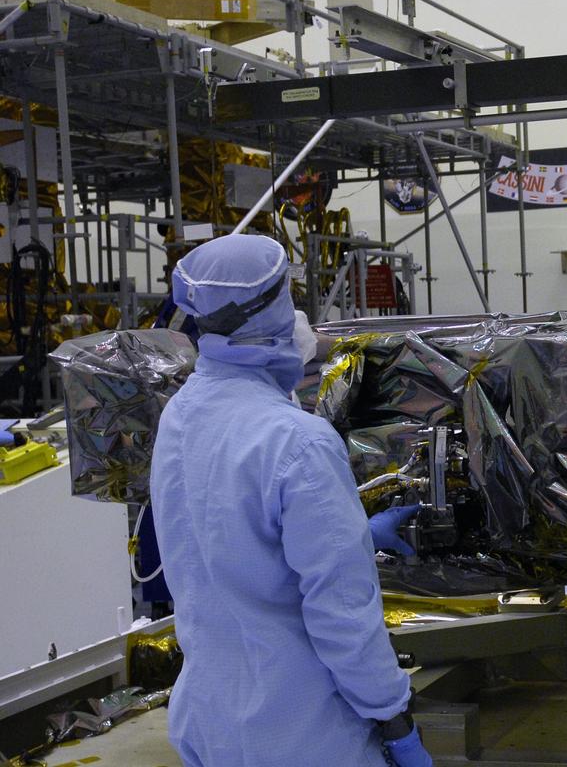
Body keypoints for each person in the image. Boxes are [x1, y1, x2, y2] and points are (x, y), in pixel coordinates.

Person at [150, 234, 431, 767]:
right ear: (271, 310)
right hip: (303, 731)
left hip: (209, 722)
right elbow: (343, 617)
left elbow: (217, 544)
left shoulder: (180, 416)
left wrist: (353, 536)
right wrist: (394, 718)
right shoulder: (297, 440)